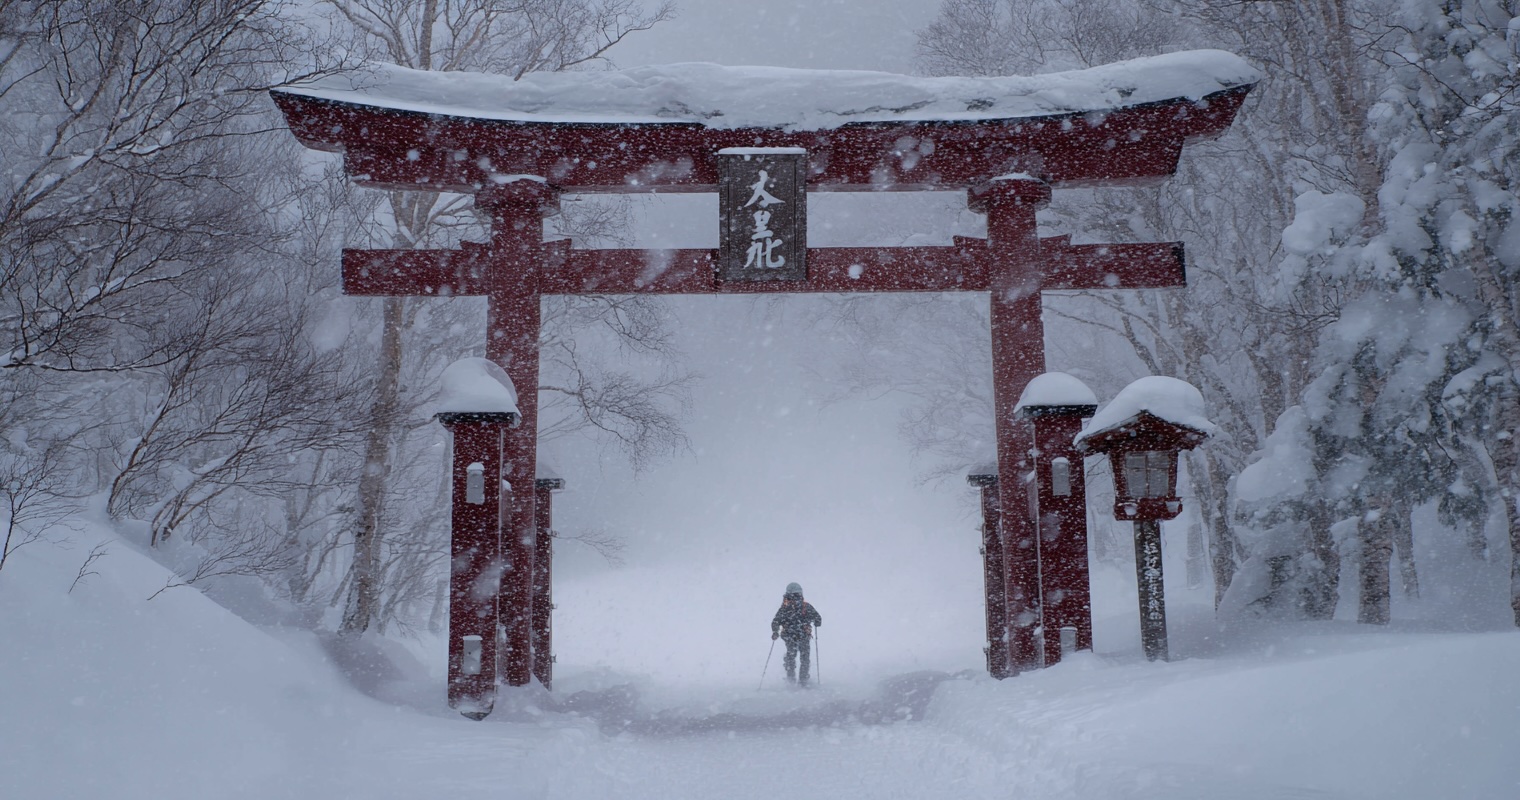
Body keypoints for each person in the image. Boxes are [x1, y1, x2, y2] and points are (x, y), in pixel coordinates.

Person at [770, 582, 822, 687]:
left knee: (791, 657)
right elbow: (818, 619)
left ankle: (790, 679)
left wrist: (775, 632)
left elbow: (775, 621)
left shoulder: (784, 608)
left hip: (789, 637)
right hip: (803, 636)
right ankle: (803, 681)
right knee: (804, 658)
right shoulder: (806, 606)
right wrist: (816, 622)